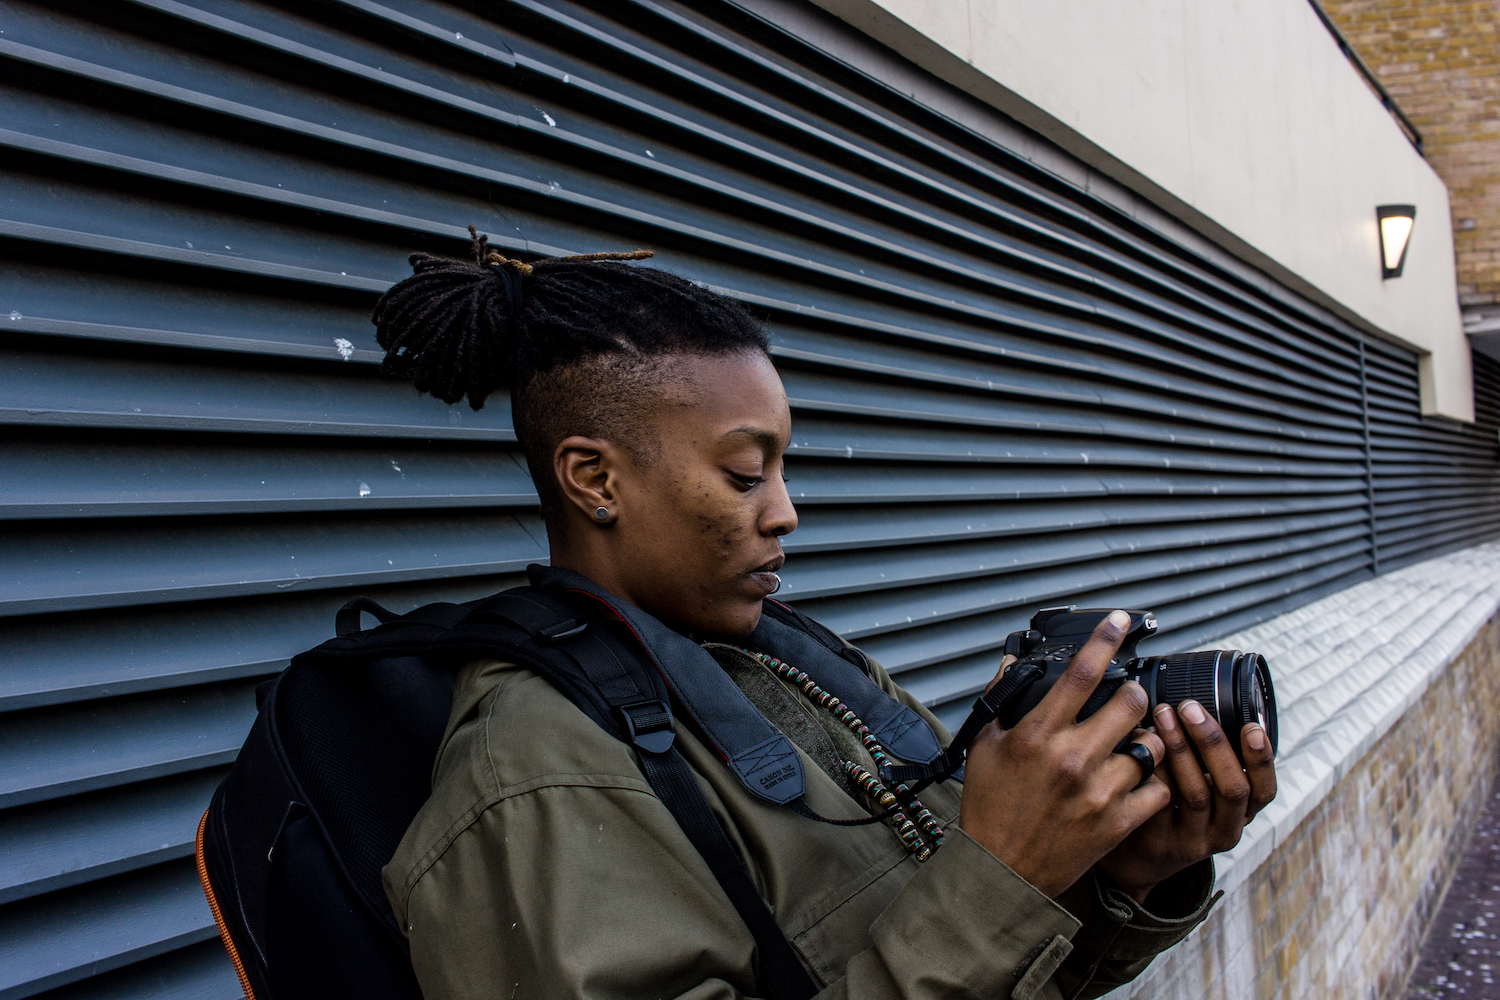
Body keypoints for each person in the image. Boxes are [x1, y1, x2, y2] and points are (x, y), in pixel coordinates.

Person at [373, 231, 1277, 1000]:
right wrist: (1000, 880)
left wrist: (1119, 875)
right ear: (595, 480)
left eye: (783, 467)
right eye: (743, 473)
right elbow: (972, 916)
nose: (785, 511)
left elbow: (994, 957)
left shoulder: (791, 663)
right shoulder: (532, 779)